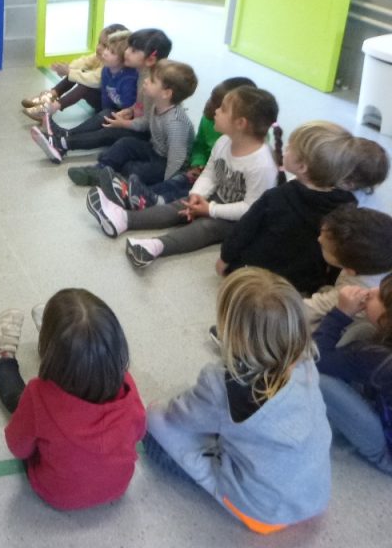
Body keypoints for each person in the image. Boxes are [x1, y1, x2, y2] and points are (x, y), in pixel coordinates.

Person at [144, 268, 331, 534]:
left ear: (232, 331)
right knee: (223, 422)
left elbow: (179, 417)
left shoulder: (221, 383)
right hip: (315, 495)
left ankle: (221, 486)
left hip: (262, 512)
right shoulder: (306, 359)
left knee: (154, 418)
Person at [86, 86, 280, 269]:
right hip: (216, 200)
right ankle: (124, 219)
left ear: (240, 123)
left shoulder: (262, 165)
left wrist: (210, 210)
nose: (216, 111)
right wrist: (197, 195)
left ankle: (156, 246)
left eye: (223, 109)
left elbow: (250, 209)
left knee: (207, 227)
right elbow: (210, 174)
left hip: (243, 221)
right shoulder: (223, 142)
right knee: (180, 205)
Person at [0, 289, 145, 510]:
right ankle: (73, 349)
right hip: (117, 486)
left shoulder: (38, 394)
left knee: (18, 399)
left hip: (56, 493)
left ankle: (3, 356)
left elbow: (18, 447)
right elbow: (138, 432)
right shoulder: (128, 385)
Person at [217, 121, 360, 295]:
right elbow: (340, 251)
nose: (285, 149)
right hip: (304, 282)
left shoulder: (277, 196)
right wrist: (328, 283)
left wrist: (225, 258)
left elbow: (244, 229)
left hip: (259, 273)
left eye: (290, 147)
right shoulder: (347, 204)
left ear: (302, 167)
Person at [111, 76, 258, 209]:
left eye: (219, 106)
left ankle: (156, 201)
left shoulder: (245, 142)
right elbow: (199, 145)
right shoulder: (208, 121)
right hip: (201, 171)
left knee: (184, 189)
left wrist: (205, 175)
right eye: (211, 97)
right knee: (177, 181)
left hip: (217, 183)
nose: (209, 104)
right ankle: (137, 196)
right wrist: (197, 163)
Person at [31, 28, 172, 161]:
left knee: (110, 132)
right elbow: (139, 105)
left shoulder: (151, 84)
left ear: (150, 60)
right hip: (135, 121)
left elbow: (147, 123)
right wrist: (130, 110)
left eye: (133, 50)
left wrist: (125, 123)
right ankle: (65, 135)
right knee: (107, 114)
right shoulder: (142, 74)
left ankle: (63, 143)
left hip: (146, 136)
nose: (127, 52)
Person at [64, 59, 198, 187]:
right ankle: (101, 168)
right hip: (155, 150)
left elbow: (176, 160)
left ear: (166, 93)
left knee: (134, 170)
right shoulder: (157, 104)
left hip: (169, 163)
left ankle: (117, 181)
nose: (146, 80)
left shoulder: (175, 122)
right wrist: (126, 118)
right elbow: (146, 122)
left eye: (152, 80)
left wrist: (167, 184)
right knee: (125, 143)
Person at [313, 273, 392, 475]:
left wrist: (340, 313)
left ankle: (379, 455)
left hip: (387, 453)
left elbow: (315, 359)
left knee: (321, 381)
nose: (371, 290)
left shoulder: (375, 358)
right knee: (363, 331)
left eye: (381, 297)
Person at [302, 205, 392, 330]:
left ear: (350, 270)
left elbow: (304, 310)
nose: (319, 239)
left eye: (324, 247)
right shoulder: (377, 255)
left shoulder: (355, 293)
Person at [20, 23, 129, 121]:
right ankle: (50, 96)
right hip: (101, 98)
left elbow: (94, 79)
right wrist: (68, 68)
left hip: (108, 107)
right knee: (78, 73)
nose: (99, 48)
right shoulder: (101, 57)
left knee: (85, 84)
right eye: (99, 42)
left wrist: (69, 72)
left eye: (105, 46)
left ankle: (52, 108)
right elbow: (85, 61)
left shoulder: (111, 66)